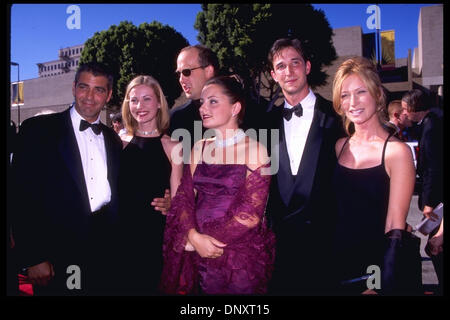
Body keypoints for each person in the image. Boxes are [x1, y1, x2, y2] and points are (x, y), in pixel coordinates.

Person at [12, 62, 123, 295]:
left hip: (106, 254)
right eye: (84, 87)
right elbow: (20, 195)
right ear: (74, 88)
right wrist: (34, 256)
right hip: (54, 259)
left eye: (99, 90)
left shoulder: (113, 139)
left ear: (109, 94)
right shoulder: (39, 130)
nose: (90, 97)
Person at [160, 76, 275, 295]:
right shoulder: (199, 147)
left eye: (213, 101)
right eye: (202, 102)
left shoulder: (256, 150)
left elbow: (250, 213)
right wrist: (193, 237)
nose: (203, 107)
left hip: (238, 258)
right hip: (196, 250)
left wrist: (207, 243)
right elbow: (184, 197)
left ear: (235, 108)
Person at [331, 56, 418, 295]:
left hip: (373, 273)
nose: (353, 102)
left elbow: (395, 227)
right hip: (334, 267)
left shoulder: (397, 152)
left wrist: (377, 284)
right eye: (345, 95)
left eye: (361, 92)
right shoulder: (339, 146)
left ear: (378, 95)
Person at [264, 38, 344, 295]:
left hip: (327, 247)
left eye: (295, 63)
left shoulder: (337, 117)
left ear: (307, 67)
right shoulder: (264, 123)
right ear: (273, 75)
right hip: (281, 251)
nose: (289, 71)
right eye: (281, 66)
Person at [117, 75, 183, 294]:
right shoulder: (118, 144)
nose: (140, 106)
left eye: (147, 99)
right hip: (119, 240)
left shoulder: (174, 147)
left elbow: (179, 203)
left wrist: (171, 204)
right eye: (134, 100)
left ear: (158, 102)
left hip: (155, 241)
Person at [401, 88, 443, 294]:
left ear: (413, 107)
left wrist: (428, 202)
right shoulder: (432, 122)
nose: (404, 114)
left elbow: (433, 168)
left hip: (436, 204)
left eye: (404, 109)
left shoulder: (432, 127)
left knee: (437, 248)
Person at [169, 45, 219, 149]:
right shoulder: (174, 119)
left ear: (208, 71)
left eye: (186, 72)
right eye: (179, 74)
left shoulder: (249, 111)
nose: (181, 79)